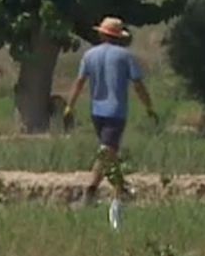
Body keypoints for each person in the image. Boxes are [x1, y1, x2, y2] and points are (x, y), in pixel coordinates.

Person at [65, 16, 159, 203]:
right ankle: (90, 190)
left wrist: (70, 105)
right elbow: (138, 84)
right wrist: (149, 107)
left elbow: (79, 82)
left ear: (101, 35)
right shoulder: (125, 57)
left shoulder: (89, 55)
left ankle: (120, 187)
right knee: (107, 151)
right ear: (119, 37)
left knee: (110, 151)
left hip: (96, 111)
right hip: (116, 112)